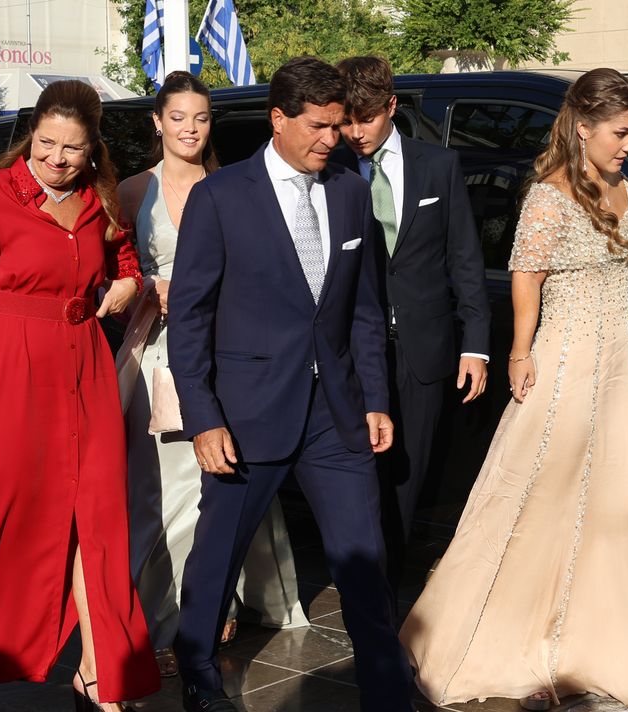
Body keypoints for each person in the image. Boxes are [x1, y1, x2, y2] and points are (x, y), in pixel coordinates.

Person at [399, 68, 628, 712]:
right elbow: (526, 278)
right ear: (583, 127)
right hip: (561, 366)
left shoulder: (623, 186)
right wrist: (519, 352)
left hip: (615, 366)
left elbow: (619, 285)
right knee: (535, 501)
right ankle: (494, 636)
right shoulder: (548, 195)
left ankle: (624, 642)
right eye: (622, 133)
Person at [0, 80, 160, 711]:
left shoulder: (101, 200)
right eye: (46, 144)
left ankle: (101, 676)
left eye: (72, 148)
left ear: (93, 148)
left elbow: (123, 257)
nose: (57, 159)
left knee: (96, 520)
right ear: (30, 136)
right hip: (8, 375)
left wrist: (127, 284)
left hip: (86, 369)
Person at [168, 57, 413, 712]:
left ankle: (387, 690)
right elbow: (188, 319)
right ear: (278, 120)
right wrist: (204, 416)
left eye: (338, 127)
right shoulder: (220, 198)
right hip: (246, 415)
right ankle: (197, 673)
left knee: (364, 558)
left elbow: (363, 311)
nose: (331, 139)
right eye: (318, 127)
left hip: (337, 413)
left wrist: (376, 400)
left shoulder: (351, 191)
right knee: (218, 555)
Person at [116, 71, 306, 679]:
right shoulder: (129, 191)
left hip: (223, 355)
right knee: (154, 488)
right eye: (178, 118)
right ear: (157, 123)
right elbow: (108, 274)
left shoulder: (232, 187)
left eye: (200, 118)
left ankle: (214, 604)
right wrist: (147, 285)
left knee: (214, 485)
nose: (190, 129)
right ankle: (152, 612)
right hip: (152, 356)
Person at [335, 56, 491, 590]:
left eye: (367, 119)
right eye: (347, 120)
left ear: (392, 108)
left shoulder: (438, 166)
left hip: (424, 351)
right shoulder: (329, 169)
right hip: (353, 352)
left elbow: (464, 260)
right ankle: (366, 588)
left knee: (407, 481)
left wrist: (476, 346)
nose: (356, 133)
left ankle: (387, 592)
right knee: (359, 479)